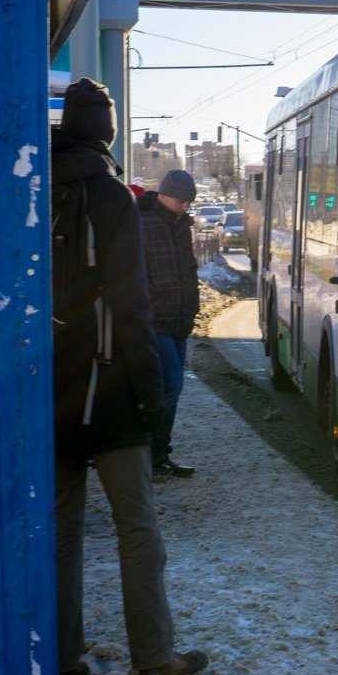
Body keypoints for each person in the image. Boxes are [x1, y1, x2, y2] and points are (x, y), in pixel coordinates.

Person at [52, 78, 208, 675]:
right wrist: (151, 395)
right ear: (107, 132)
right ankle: (154, 657)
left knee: (62, 533)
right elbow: (131, 304)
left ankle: (65, 656)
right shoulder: (113, 197)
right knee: (138, 528)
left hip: (53, 390)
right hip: (111, 388)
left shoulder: (37, 187)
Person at [137, 169, 201, 478]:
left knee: (172, 388)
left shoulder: (182, 226)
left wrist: (193, 307)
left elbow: (188, 271)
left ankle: (159, 454)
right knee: (171, 384)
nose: (185, 207)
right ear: (166, 194)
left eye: (188, 203)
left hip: (179, 319)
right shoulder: (142, 222)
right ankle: (145, 452)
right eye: (182, 201)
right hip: (155, 320)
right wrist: (148, 304)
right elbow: (134, 270)